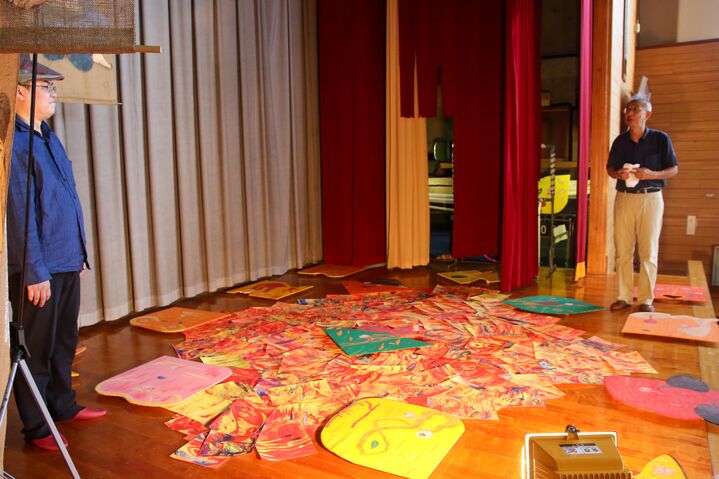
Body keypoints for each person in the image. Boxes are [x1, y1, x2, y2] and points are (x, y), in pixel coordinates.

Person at [7, 54, 106, 452]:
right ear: (19, 91)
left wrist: (78, 254)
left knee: (65, 340)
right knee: (37, 349)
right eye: (46, 87)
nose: (53, 94)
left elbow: (64, 200)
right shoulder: (15, 144)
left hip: (64, 259)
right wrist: (34, 271)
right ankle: (38, 427)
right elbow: (19, 212)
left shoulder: (47, 136)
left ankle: (62, 406)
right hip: (39, 269)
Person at [606, 95, 678, 313]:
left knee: (648, 251)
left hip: (651, 198)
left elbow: (673, 169)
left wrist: (651, 174)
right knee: (623, 251)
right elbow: (610, 168)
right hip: (624, 198)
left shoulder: (661, 139)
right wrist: (618, 174)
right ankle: (624, 297)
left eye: (634, 109)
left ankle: (646, 299)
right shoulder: (620, 141)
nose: (629, 113)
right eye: (627, 110)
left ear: (647, 114)